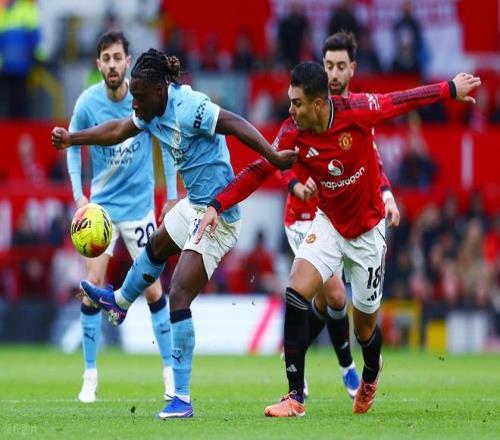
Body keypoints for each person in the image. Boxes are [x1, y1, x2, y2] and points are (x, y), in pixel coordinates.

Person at [195, 62, 480, 417]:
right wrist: (217, 205)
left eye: (297, 103)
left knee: (365, 330)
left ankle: (371, 373)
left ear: (318, 104)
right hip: (329, 223)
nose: (290, 110)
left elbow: (400, 100)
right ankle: (295, 396)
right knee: (296, 290)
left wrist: (449, 89)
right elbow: (259, 169)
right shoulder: (292, 131)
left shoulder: (356, 111)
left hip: (367, 234)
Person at [51, 48, 297, 418]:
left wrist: (274, 158)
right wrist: (73, 139)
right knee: (155, 247)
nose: (134, 103)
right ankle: (119, 304)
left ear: (159, 90)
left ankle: (181, 398)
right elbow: (116, 130)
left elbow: (234, 122)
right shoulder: (149, 111)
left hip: (219, 214)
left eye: (139, 96)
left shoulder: (189, 106)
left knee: (178, 294)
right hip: (194, 205)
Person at [277, 31, 401, 400]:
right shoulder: (303, 112)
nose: (333, 73)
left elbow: (371, 160)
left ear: (352, 69)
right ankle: (321, 379)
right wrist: (295, 187)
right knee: (329, 295)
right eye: (328, 65)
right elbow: (277, 161)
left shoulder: (358, 112)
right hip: (308, 217)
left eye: (340, 66)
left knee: (338, 309)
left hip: (357, 223)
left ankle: (340, 361)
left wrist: (386, 194)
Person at [64, 31, 178, 404]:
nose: (112, 65)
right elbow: (72, 146)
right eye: (106, 58)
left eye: (118, 58)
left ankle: (169, 374)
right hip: (101, 211)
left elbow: (168, 142)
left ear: (127, 61)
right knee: (93, 284)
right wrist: (79, 196)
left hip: (140, 209)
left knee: (153, 289)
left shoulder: (141, 97)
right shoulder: (87, 103)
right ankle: (90, 376)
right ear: (98, 64)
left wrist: (171, 196)